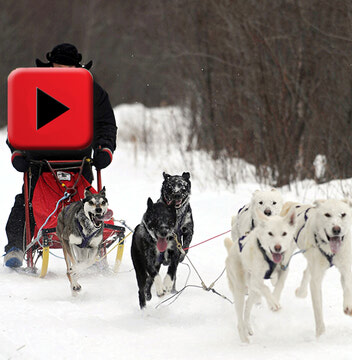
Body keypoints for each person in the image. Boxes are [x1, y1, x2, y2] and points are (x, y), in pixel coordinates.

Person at [4, 43, 117, 267]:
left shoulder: (90, 88)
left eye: (68, 68)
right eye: (58, 68)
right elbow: (18, 123)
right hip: (38, 161)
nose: (63, 73)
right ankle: (15, 247)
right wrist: (16, 151)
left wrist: (104, 148)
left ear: (77, 67)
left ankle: (93, 246)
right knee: (26, 203)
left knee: (85, 203)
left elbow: (106, 122)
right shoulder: (33, 86)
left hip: (79, 160)